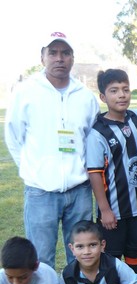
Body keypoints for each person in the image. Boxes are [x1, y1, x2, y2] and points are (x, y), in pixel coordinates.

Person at [4, 32, 100, 269]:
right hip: (40, 192)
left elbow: (94, 138)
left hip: (79, 191)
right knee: (40, 258)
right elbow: (13, 137)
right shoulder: (25, 92)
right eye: (53, 53)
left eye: (65, 53)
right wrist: (32, 171)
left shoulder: (85, 97)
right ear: (42, 57)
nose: (60, 58)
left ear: (72, 58)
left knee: (81, 258)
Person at [87, 69, 137, 275]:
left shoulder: (136, 117)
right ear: (103, 97)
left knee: (135, 253)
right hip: (114, 210)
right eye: (114, 91)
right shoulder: (97, 132)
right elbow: (95, 173)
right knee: (112, 256)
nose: (121, 95)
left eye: (125, 89)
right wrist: (104, 210)